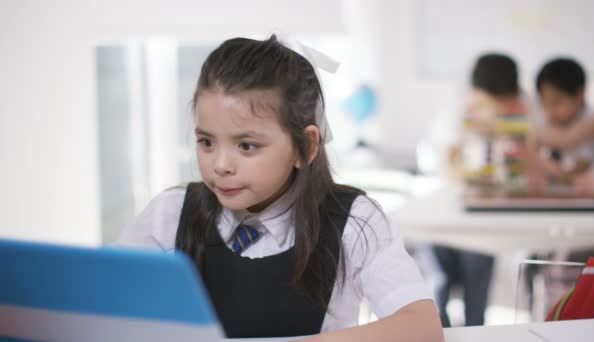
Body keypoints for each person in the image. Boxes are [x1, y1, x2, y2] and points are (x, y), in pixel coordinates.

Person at [117, 34, 443, 341]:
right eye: (206, 142)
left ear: (306, 146)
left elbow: (422, 326)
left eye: (246, 146)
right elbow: (106, 303)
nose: (220, 165)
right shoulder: (170, 213)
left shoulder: (354, 221)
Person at [435, 53, 533, 327]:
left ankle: (475, 329)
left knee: (477, 278)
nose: (494, 109)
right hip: (450, 209)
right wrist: (472, 181)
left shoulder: (524, 108)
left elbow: (529, 158)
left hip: (489, 211)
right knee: (439, 283)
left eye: (501, 104)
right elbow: (446, 164)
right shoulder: (456, 109)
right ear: (475, 92)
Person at [535, 36, 594, 194]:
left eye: (556, 102)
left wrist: (536, 157)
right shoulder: (547, 119)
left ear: (579, 95)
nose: (549, 111)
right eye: (544, 103)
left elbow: (573, 172)